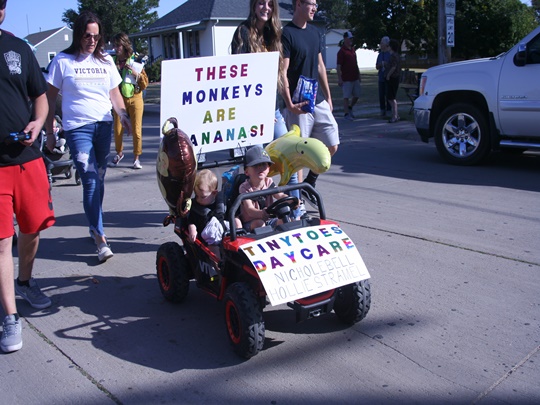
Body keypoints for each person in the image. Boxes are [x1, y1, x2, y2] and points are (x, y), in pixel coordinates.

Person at [45, 11, 131, 262]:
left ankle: (95, 223)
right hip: (77, 129)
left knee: (99, 180)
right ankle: (100, 238)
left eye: (96, 36)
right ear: (78, 35)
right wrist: (50, 132)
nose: (92, 41)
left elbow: (115, 94)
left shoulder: (106, 61)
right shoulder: (62, 61)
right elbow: (49, 98)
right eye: (87, 36)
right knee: (91, 180)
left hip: (103, 126)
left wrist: (123, 115)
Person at [0, 0, 55, 353]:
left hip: (27, 158)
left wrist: (38, 122)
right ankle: (10, 317)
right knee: (2, 241)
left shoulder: (18, 47)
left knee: (33, 228)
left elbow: (41, 96)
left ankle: (25, 281)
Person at [230, 0, 303, 216]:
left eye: (270, 4)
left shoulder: (274, 34)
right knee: (257, 167)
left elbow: (280, 73)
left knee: (289, 160)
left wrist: (285, 102)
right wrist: (257, 111)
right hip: (252, 113)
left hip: (273, 110)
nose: (266, 8)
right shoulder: (243, 32)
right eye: (261, 3)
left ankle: (296, 213)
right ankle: (255, 216)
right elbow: (239, 76)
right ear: (254, 6)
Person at [280, 0, 339, 200]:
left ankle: (310, 182)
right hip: (298, 104)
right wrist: (289, 103)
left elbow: (320, 66)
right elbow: (283, 72)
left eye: (316, 5)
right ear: (298, 4)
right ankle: (297, 203)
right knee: (299, 155)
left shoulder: (315, 32)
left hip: (317, 100)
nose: (315, 8)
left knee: (332, 143)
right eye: (311, 4)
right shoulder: (287, 34)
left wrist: (328, 97)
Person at [110, 32, 148, 170]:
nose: (116, 48)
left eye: (118, 45)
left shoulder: (135, 60)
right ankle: (119, 153)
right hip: (119, 99)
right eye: (114, 45)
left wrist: (135, 73)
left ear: (125, 45)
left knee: (136, 130)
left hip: (135, 97)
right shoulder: (112, 61)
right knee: (117, 129)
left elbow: (145, 83)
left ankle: (136, 158)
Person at [187, 169, 241, 257]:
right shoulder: (196, 206)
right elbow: (191, 220)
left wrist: (238, 227)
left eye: (202, 197)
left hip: (226, 234)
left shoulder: (222, 203)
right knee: (214, 250)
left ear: (214, 193)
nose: (198, 199)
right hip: (209, 239)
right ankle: (217, 264)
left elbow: (233, 215)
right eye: (196, 195)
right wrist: (192, 230)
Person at [239, 146, 291, 231]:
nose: (260, 168)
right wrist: (261, 213)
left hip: (269, 219)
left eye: (264, 165)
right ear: (247, 171)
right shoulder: (245, 187)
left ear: (268, 169)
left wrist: (290, 200)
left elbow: (280, 195)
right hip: (251, 222)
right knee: (260, 224)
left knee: (285, 220)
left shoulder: (269, 182)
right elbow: (249, 210)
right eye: (256, 165)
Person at [337, 31, 361, 121]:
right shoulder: (341, 52)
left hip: (355, 77)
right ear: (345, 39)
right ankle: (346, 113)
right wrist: (340, 78)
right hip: (346, 78)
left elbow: (356, 63)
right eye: (349, 38)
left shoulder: (353, 50)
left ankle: (350, 107)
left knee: (357, 95)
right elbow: (338, 66)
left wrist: (359, 75)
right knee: (346, 96)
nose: (351, 40)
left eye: (351, 39)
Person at [385, 38, 402, 123]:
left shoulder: (393, 56)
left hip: (393, 78)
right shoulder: (396, 55)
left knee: (391, 98)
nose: (387, 47)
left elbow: (393, 67)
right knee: (390, 97)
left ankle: (395, 116)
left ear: (391, 47)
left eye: (388, 46)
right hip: (395, 78)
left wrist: (388, 75)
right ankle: (396, 114)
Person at [375, 36, 391, 117]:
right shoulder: (380, 55)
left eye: (382, 43)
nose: (380, 45)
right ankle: (382, 110)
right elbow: (377, 66)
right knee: (381, 95)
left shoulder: (390, 54)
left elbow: (392, 65)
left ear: (386, 44)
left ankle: (389, 110)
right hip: (381, 77)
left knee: (388, 94)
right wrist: (380, 65)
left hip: (388, 77)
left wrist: (386, 64)